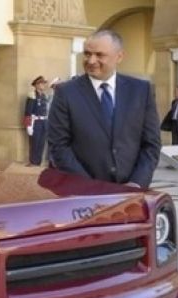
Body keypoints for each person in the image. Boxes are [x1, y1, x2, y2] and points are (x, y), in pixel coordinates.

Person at [48, 29, 160, 189]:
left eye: (99, 55)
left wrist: (137, 183)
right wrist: (90, 186)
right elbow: (59, 146)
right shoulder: (66, 93)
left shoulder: (140, 90)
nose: (91, 60)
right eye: (87, 54)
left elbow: (151, 144)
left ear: (119, 56)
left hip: (132, 192)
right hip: (84, 193)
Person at [23, 75, 49, 166]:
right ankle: (33, 162)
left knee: (41, 143)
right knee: (35, 143)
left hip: (44, 122)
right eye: (42, 83)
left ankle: (38, 162)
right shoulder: (32, 95)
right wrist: (28, 125)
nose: (43, 85)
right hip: (35, 122)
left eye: (44, 83)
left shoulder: (44, 96)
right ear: (37, 85)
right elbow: (28, 112)